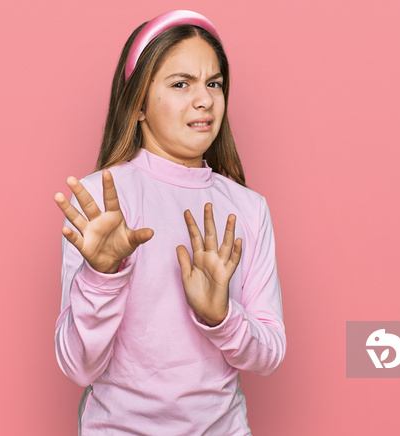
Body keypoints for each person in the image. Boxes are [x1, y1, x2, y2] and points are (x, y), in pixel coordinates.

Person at [53, 10, 286, 435]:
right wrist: (102, 276)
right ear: (139, 103)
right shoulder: (102, 203)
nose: (205, 100)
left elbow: (270, 354)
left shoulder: (250, 209)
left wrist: (221, 317)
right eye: (181, 84)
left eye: (213, 83)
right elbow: (78, 367)